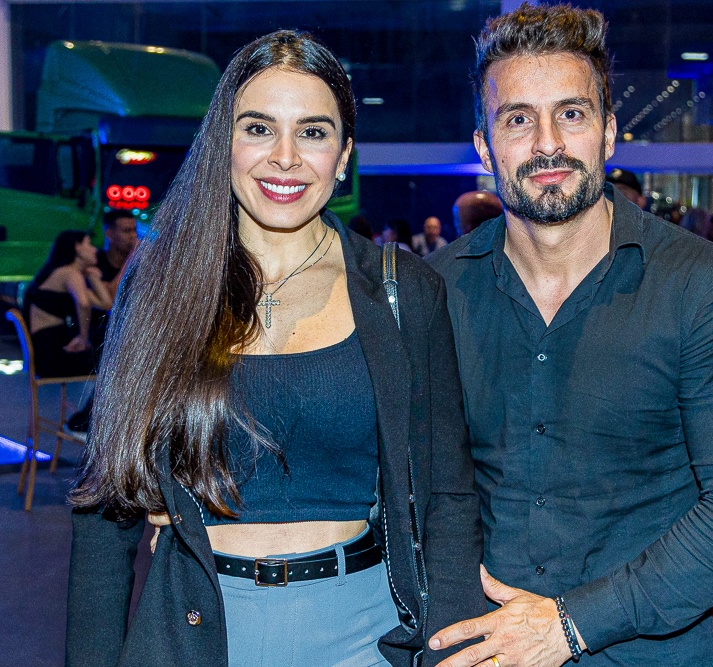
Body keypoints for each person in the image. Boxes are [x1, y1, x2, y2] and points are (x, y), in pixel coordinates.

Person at [66, 30, 486, 667]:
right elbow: (106, 507)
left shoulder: (404, 290)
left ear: (343, 155)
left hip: (364, 636)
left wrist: (452, 648)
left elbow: (449, 497)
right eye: (259, 129)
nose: (284, 158)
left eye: (313, 132)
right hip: (196, 631)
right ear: (223, 145)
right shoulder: (159, 285)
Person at [426, 4, 713, 665]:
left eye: (571, 114)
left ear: (609, 133)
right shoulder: (437, 291)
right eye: (517, 119)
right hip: (481, 648)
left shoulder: (701, 284)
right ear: (483, 145)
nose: (547, 144)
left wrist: (568, 625)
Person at [66, 211, 139, 433]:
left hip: (123, 331)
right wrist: (131, 259)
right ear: (109, 233)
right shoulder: (95, 260)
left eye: (134, 230)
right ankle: (94, 418)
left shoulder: (138, 263)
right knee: (122, 357)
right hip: (96, 331)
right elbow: (112, 299)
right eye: (126, 231)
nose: (132, 236)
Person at [25, 230, 113, 378]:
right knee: (113, 359)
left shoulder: (69, 274)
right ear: (77, 247)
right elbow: (83, 304)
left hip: (53, 350)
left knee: (109, 355)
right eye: (89, 244)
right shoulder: (69, 273)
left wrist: (93, 278)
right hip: (52, 354)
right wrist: (83, 339)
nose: (94, 249)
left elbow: (107, 305)